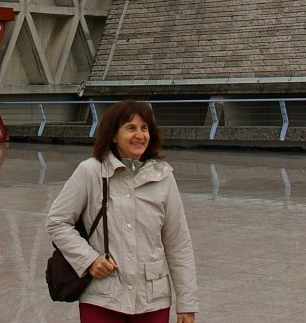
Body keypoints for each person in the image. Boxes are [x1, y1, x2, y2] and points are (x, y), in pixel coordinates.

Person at [46, 99, 199, 323]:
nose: (139, 135)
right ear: (113, 136)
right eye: (130, 128)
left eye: (144, 128)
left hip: (152, 300)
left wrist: (187, 304)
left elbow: (178, 243)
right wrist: (89, 260)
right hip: (102, 298)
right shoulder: (91, 171)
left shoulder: (164, 176)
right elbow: (57, 221)